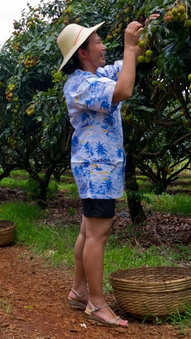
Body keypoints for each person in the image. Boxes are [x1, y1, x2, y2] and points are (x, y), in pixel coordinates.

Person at [56, 16, 157, 328]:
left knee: (89, 230)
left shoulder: (97, 74)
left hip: (99, 167)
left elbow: (130, 61)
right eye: (97, 42)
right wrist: (128, 46)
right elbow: (124, 89)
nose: (103, 46)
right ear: (83, 53)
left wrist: (148, 32)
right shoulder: (81, 85)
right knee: (98, 234)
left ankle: (79, 291)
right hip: (96, 168)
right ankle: (97, 305)